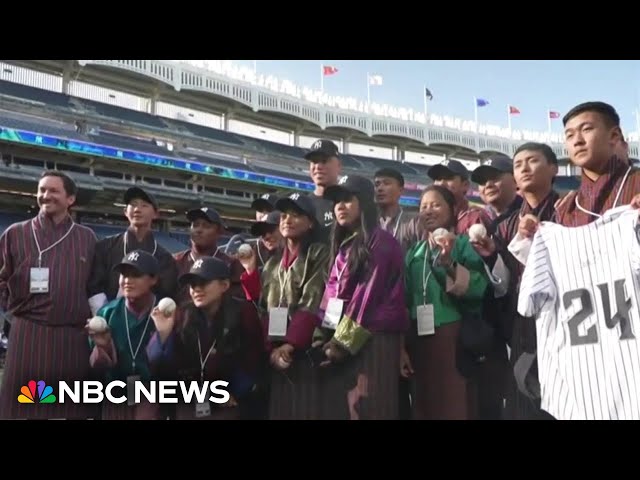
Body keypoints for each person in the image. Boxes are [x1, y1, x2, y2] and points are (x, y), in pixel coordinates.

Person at [471, 142, 560, 420]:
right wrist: (490, 257)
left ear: (554, 168)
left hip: (563, 319)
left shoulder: (569, 210)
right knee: (523, 403)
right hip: (521, 325)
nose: (524, 168)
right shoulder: (504, 227)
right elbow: (503, 284)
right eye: (518, 164)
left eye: (532, 161)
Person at [0, 170, 97, 419]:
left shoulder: (86, 238)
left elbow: (93, 285)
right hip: (29, 335)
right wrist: (12, 308)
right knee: (28, 406)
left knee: (69, 407)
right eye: (42, 190)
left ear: (70, 199)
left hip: (71, 337)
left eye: (53, 190)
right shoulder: (15, 233)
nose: (45, 195)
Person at [313, 175, 409, 420]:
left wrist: (340, 345)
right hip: (346, 341)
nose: (340, 207)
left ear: (364, 202)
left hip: (373, 340)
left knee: (371, 409)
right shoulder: (346, 245)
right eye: (336, 202)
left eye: (347, 199)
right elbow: (331, 296)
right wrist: (322, 337)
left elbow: (365, 300)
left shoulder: (382, 242)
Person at [403, 185, 490, 420]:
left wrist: (448, 263)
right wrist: (402, 347)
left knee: (452, 404)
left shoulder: (462, 245)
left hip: (452, 336)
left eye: (435, 205)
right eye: (423, 207)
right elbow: (405, 298)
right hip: (418, 338)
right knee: (422, 404)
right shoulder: (414, 253)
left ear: (452, 209)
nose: (428, 211)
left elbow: (477, 288)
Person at [241, 193, 329, 419]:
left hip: (306, 350)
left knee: (305, 409)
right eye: (284, 216)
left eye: (296, 215)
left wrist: (290, 345)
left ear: (310, 222)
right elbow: (265, 308)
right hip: (277, 354)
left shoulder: (319, 253)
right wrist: (272, 349)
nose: (287, 220)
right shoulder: (272, 264)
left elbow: (312, 299)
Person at [146, 257, 265, 420]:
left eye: (204, 282)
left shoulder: (243, 312)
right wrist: (163, 334)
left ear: (224, 285)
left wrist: (235, 390)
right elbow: (159, 367)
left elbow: (253, 360)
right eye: (193, 284)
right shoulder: (182, 315)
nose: (196, 289)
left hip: (229, 403)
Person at [87, 250, 161, 420]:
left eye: (135, 275)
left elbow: (171, 363)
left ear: (154, 279)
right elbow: (97, 367)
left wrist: (163, 334)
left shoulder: (164, 312)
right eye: (124, 275)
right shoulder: (106, 313)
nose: (127, 281)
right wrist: (103, 345)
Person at [88, 186, 178, 315]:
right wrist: (104, 316)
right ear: (125, 211)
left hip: (148, 322)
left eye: (144, 205)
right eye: (133, 205)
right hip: (108, 319)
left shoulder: (163, 257)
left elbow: (166, 293)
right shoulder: (105, 246)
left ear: (155, 214)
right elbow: (94, 286)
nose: (137, 209)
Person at [173, 207, 244, 303]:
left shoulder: (232, 264)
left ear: (219, 232)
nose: (199, 230)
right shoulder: (175, 261)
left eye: (206, 226)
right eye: (195, 225)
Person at [304, 139, 342, 243]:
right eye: (314, 162)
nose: (318, 167)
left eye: (324, 161)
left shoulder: (348, 202)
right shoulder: (303, 205)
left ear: (339, 166)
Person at [471, 154, 522, 225]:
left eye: (494, 177)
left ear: (515, 179)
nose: (488, 185)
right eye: (482, 181)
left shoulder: (527, 213)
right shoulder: (477, 219)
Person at [374, 168, 411, 242]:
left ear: (401, 190)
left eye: (386, 183)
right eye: (377, 184)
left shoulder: (412, 223)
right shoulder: (366, 220)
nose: (380, 188)